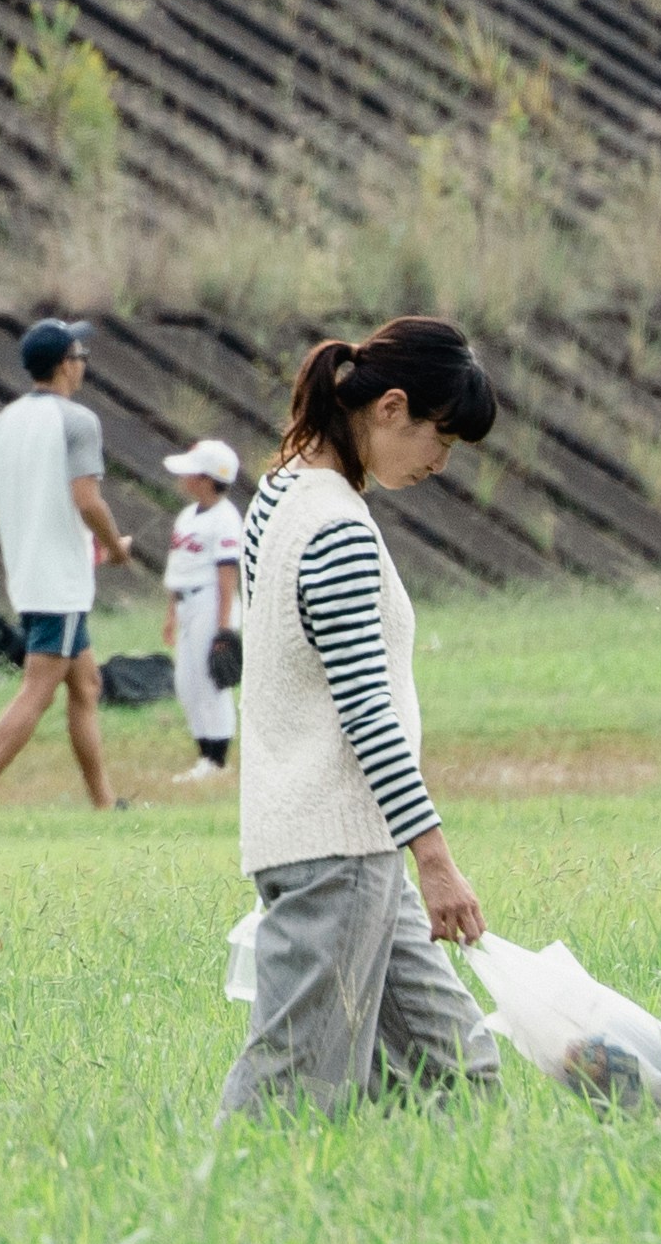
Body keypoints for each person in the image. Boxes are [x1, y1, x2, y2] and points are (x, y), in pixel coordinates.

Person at [223, 321, 501, 1117]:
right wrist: (438, 858)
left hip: (346, 841)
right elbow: (365, 710)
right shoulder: (335, 526)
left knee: (454, 1068)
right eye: (438, 437)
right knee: (294, 1084)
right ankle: (213, 1223)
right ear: (389, 407)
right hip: (333, 849)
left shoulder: (280, 493)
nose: (439, 462)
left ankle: (420, 1226)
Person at [0, 320, 146, 813]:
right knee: (37, 691)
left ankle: (103, 802)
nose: (83, 365)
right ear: (65, 364)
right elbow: (88, 499)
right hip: (60, 582)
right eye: (81, 356)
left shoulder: (3, 421)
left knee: (86, 684)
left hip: (31, 574)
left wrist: (27, 519)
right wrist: (115, 549)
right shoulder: (78, 422)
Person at [152, 439, 249, 777]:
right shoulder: (186, 516)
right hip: (186, 602)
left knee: (211, 681)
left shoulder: (226, 518)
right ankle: (203, 755)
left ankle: (217, 759)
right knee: (186, 682)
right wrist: (170, 615)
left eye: (191, 472)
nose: (184, 478)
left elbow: (227, 574)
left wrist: (224, 628)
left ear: (208, 479)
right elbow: (178, 568)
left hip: (211, 602)